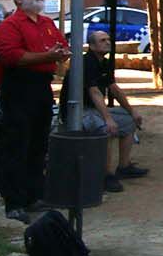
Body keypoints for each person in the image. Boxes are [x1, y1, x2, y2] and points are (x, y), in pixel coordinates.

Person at [0, 0, 68, 222]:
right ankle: (14, 202)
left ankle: (34, 195)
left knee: (38, 143)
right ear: (19, 0)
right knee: (16, 144)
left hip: (42, 87)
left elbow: (61, 46)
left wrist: (57, 54)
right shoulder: (10, 25)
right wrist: (47, 55)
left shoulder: (46, 23)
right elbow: (12, 56)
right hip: (19, 88)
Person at [62, 29, 147, 192]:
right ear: (92, 46)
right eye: (102, 40)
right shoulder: (86, 63)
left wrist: (132, 111)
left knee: (128, 121)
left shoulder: (105, 62)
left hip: (94, 108)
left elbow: (113, 88)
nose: (108, 42)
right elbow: (94, 92)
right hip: (78, 111)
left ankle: (124, 166)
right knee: (107, 128)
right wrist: (108, 119)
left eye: (108, 39)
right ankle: (106, 175)